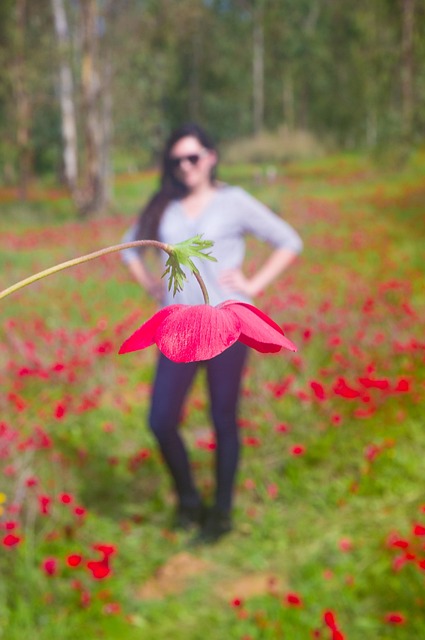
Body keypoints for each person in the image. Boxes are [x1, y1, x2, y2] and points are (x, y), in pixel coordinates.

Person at [121, 123, 302, 543]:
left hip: (228, 324)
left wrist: (253, 285)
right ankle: (188, 501)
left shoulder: (233, 201)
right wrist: (151, 286)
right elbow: (129, 245)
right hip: (179, 325)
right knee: (161, 418)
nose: (185, 166)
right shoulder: (163, 205)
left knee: (223, 418)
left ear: (211, 157)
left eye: (193, 157)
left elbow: (289, 240)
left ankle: (220, 514)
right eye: (177, 160)